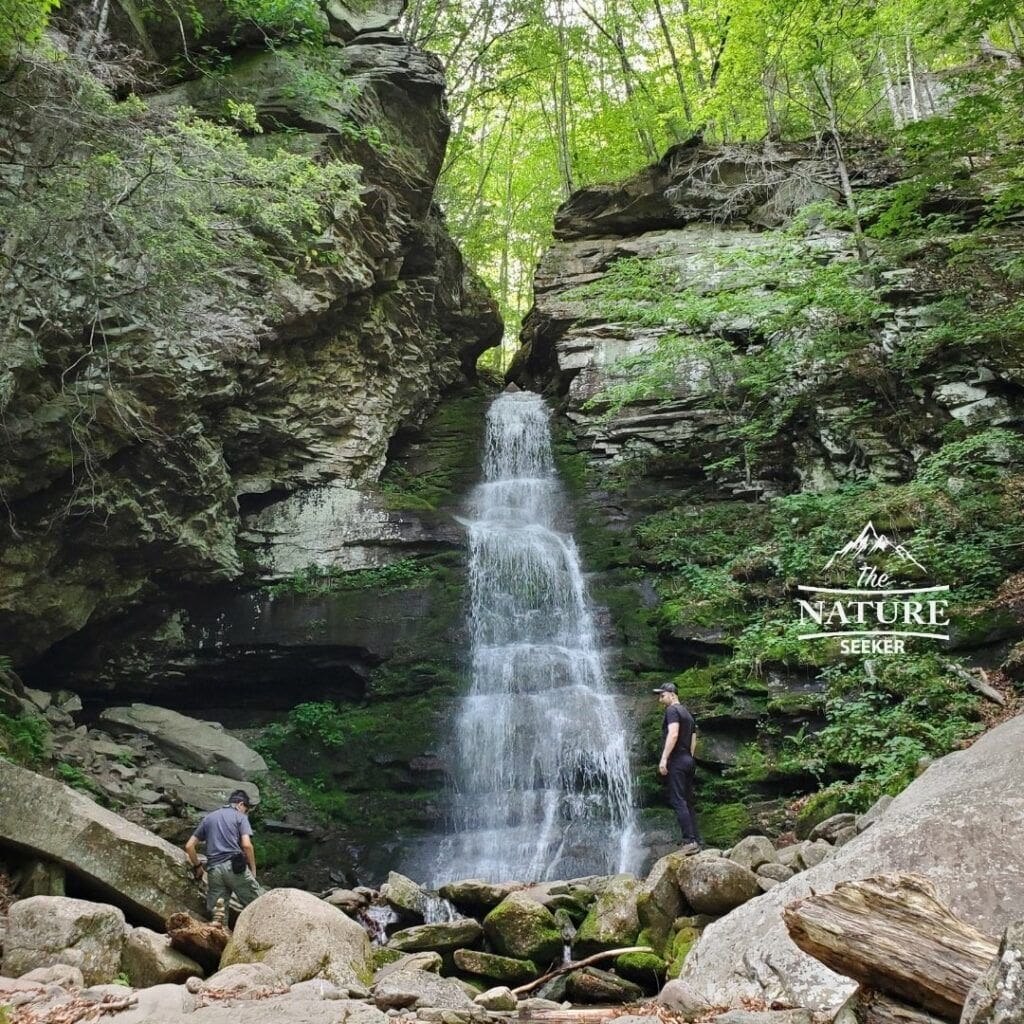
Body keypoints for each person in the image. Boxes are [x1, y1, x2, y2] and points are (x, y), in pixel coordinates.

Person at [185, 789, 262, 916]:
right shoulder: (240, 817)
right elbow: (247, 845)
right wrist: (253, 870)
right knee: (259, 906)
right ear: (240, 804)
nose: (246, 813)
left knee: (218, 915)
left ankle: (219, 934)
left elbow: (189, 846)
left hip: (214, 871)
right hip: (234, 868)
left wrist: (198, 866)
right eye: (246, 810)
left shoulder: (208, 818)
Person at [654, 682, 701, 852]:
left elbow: (673, 734)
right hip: (688, 760)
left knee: (678, 800)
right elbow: (694, 738)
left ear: (672, 694)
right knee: (687, 801)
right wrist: (689, 756)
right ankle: (696, 840)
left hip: (677, 761)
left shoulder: (672, 710)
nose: (660, 699)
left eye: (662, 695)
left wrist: (664, 759)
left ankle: (689, 841)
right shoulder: (687, 713)